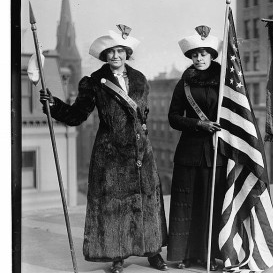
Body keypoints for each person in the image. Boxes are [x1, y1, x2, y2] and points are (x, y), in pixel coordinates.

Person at [39, 25, 168, 273]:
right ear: (104, 55)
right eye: (110, 51)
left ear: (127, 52)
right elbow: (77, 115)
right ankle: (116, 255)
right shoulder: (94, 82)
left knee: (148, 201)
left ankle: (153, 251)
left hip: (141, 152)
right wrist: (53, 104)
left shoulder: (140, 79)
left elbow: (143, 115)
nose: (115, 56)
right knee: (113, 205)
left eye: (120, 50)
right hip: (110, 153)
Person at [167, 25, 226, 271]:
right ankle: (184, 255)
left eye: (203, 53)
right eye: (194, 54)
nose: (199, 58)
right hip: (189, 153)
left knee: (211, 203)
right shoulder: (185, 84)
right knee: (186, 203)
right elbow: (173, 117)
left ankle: (210, 255)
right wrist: (198, 123)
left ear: (212, 55)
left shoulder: (225, 82)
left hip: (216, 152)